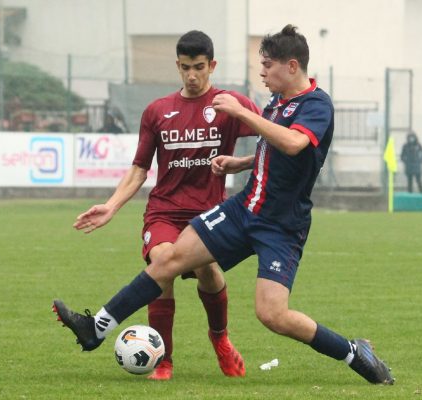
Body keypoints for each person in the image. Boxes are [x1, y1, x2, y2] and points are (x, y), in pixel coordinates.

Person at [54, 24, 394, 385]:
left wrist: (242, 113)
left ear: (292, 66)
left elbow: (295, 144)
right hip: (242, 209)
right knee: (166, 260)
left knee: (272, 314)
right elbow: (276, 148)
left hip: (281, 225)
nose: (262, 72)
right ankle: (96, 328)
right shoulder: (277, 101)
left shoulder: (316, 104)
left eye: (268, 65)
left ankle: (354, 352)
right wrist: (243, 162)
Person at [62, 30, 260, 380]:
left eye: (199, 67)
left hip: (209, 213)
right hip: (164, 211)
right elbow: (140, 168)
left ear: (212, 65)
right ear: (177, 66)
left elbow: (269, 137)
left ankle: (221, 340)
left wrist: (241, 162)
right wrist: (112, 206)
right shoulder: (158, 111)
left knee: (210, 273)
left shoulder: (229, 105)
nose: (192, 76)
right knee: (162, 267)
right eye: (185, 68)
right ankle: (164, 360)